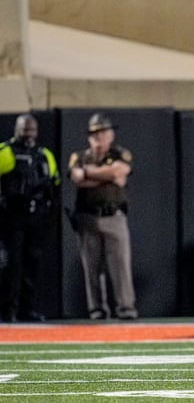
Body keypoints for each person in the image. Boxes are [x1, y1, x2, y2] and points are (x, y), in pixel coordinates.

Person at [68, 113, 138, 320]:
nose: (99, 137)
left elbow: (120, 171)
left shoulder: (119, 153)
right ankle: (97, 309)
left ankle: (126, 308)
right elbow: (78, 178)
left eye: (103, 132)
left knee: (121, 265)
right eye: (95, 133)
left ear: (111, 134)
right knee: (92, 267)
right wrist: (106, 176)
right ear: (89, 137)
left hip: (113, 215)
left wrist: (91, 173)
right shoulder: (80, 156)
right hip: (88, 216)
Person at [0, 114, 60, 322]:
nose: (29, 134)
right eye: (25, 129)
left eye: (32, 129)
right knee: (12, 266)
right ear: (16, 129)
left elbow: (54, 185)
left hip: (36, 218)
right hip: (11, 218)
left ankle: (28, 309)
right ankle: (8, 310)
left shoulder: (44, 155)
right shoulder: (4, 152)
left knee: (32, 264)